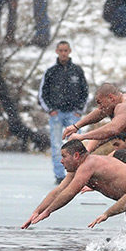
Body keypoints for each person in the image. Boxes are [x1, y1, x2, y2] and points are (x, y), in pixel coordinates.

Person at [21, 140, 126, 229]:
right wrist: (37, 211)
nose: (61, 161)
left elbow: (70, 192)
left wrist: (48, 212)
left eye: (64, 156)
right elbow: (59, 191)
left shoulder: (89, 165)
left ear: (76, 155)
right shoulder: (77, 169)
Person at [39, 41, 89, 184]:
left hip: (74, 114)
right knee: (56, 145)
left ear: (70, 51)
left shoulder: (77, 71)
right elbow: (43, 93)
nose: (63, 53)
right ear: (56, 51)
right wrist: (50, 110)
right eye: (61, 50)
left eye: (65, 50)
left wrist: (79, 111)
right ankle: (59, 176)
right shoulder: (51, 72)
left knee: (76, 145)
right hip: (56, 114)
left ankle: (78, 174)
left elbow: (85, 92)